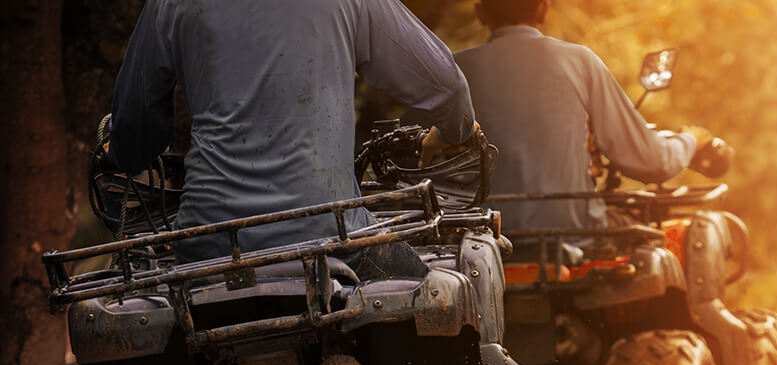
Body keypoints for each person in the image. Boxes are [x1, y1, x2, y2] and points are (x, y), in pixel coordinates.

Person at [108, 0, 477, 272]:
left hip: (209, 243)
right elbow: (447, 89)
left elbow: (134, 133)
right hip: (331, 234)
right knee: (434, 315)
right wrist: (449, 134)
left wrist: (121, 149)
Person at [453, 0, 711, 237]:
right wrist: (690, 140)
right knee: (658, 237)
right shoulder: (579, 61)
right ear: (544, 8)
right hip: (576, 235)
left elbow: (417, 160)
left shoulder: (454, 73)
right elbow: (649, 160)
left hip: (477, 242)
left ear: (481, 12)